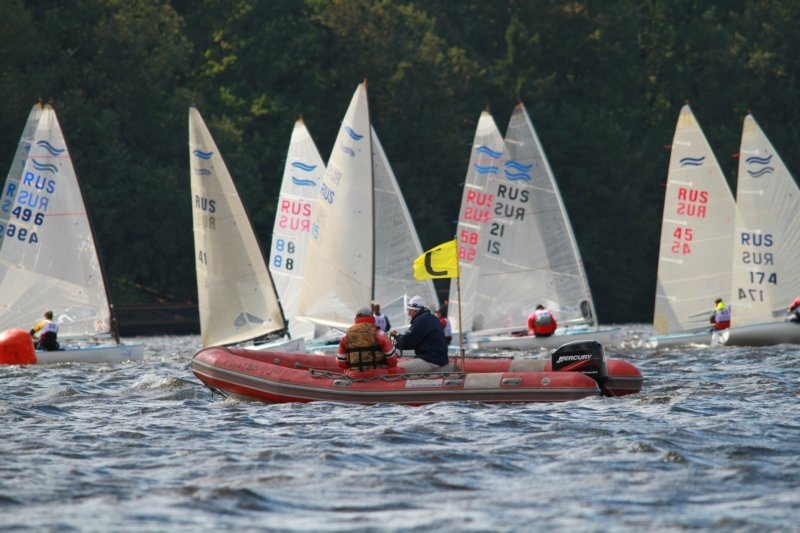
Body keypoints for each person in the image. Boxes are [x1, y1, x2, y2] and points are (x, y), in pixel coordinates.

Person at [390, 295, 449, 372]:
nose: (408, 314)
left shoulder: (421, 320)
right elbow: (412, 340)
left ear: (415, 311)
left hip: (431, 361)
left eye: (410, 310)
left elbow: (406, 342)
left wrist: (397, 335)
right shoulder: (431, 318)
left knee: (394, 369)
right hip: (439, 359)